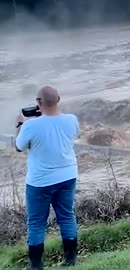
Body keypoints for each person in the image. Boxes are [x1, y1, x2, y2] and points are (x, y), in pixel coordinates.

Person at [15, 86, 80, 270]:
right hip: (68, 176)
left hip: (40, 182)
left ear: (39, 103)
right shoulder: (72, 120)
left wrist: (20, 124)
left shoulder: (30, 125)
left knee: (36, 222)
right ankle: (70, 260)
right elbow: (68, 137)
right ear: (58, 99)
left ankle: (36, 265)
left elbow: (19, 147)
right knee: (67, 216)